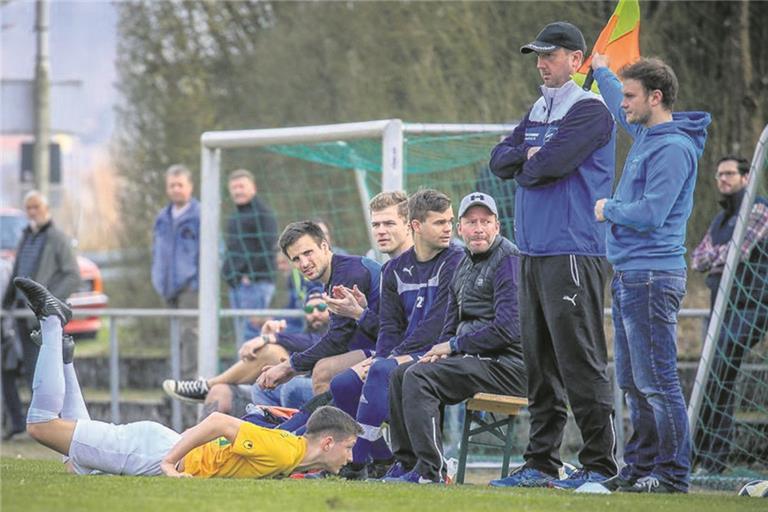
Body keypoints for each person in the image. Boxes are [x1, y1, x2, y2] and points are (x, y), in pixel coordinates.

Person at [13, 276, 361, 478]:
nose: (350, 458)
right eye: (348, 448)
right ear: (328, 442)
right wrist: (168, 461)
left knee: (78, 466)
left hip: (159, 446)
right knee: (41, 426)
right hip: (155, 452)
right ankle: (53, 319)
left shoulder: (292, 456)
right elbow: (220, 422)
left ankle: (62, 356)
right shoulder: (284, 451)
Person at [488, 21, 618, 489]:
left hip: (572, 251)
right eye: (538, 56)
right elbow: (500, 162)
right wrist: (528, 155)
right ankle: (542, 461)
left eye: (551, 54)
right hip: (532, 251)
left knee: (579, 361)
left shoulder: (591, 111)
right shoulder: (539, 108)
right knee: (539, 366)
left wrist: (527, 155)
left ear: (576, 60)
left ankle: (600, 465)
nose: (541, 63)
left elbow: (545, 167)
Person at [592, 54, 711, 493]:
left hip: (651, 276)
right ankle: (639, 469)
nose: (623, 104)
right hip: (628, 276)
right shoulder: (645, 132)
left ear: (655, 97)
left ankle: (671, 474)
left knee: (657, 381)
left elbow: (652, 213)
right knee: (631, 382)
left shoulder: (674, 147)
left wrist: (609, 209)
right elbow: (614, 101)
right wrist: (602, 70)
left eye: (630, 96)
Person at [383, 192, 527, 484]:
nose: (479, 228)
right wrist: (442, 349)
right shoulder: (462, 265)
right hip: (474, 361)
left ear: (497, 226)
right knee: (400, 373)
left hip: (509, 366)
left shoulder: (508, 260)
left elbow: (508, 328)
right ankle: (407, 464)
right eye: (471, 222)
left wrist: (454, 346)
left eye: (485, 221)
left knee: (419, 378)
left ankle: (430, 471)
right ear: (461, 229)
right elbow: (450, 324)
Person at [328, 189, 463, 480]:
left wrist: (389, 359)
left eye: (449, 222)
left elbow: (437, 325)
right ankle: (384, 460)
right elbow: (389, 328)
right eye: (441, 223)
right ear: (418, 226)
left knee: (381, 370)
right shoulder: (392, 269)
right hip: (405, 354)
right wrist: (385, 356)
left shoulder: (455, 260)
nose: (448, 229)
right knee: (342, 384)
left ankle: (354, 462)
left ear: (406, 224)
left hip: (440, 351)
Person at [690, 155, 768, 475]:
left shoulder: (759, 208)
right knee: (712, 376)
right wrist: (718, 256)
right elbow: (698, 259)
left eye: (729, 174)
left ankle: (712, 456)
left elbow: (740, 251)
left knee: (720, 371)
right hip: (718, 305)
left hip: (751, 306)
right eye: (719, 174)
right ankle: (704, 457)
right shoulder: (721, 218)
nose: (722, 179)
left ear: (746, 178)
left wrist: (717, 257)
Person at [162, 289, 331, 418]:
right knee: (220, 392)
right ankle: (200, 452)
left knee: (273, 355)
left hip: (314, 390)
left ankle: (207, 385)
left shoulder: (341, 329)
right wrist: (267, 334)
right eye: (309, 309)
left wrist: (269, 338)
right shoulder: (298, 330)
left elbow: (318, 342)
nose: (315, 313)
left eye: (321, 307)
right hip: (275, 390)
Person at [257, 221, 380, 395]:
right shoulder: (330, 281)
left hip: (390, 350)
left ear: (324, 246)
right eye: (296, 259)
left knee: (321, 371)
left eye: (308, 253)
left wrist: (291, 366)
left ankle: (327, 422)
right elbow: (338, 338)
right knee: (263, 390)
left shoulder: (349, 273)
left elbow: (338, 340)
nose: (304, 263)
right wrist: (294, 366)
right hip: (369, 348)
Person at [1, 190, 80, 440]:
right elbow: (19, 273)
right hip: (23, 316)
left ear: (46, 209)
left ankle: (56, 428)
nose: (32, 212)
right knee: (20, 370)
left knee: (46, 370)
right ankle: (24, 425)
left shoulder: (57, 239)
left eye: (36, 207)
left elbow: (72, 275)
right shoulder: (26, 237)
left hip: (44, 319)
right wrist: (7, 304)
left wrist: (48, 303)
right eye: (29, 208)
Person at [324, 190, 413, 340]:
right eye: (376, 225)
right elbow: (387, 330)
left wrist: (359, 313)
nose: (381, 231)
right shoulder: (388, 269)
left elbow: (409, 335)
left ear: (409, 226)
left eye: (389, 224)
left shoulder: (424, 266)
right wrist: (363, 309)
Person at [151, 164, 200, 379]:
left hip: (191, 287)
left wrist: (198, 282)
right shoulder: (162, 217)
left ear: (190, 187)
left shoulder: (200, 215)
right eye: (172, 185)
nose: (176, 189)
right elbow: (157, 250)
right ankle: (173, 383)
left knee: (191, 335)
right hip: (167, 288)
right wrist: (158, 279)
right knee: (174, 337)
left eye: (180, 185)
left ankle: (190, 384)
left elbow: (214, 252)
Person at [222, 169, 279, 346]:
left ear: (253, 188)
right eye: (234, 187)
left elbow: (268, 248)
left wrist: (250, 276)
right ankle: (244, 374)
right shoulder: (234, 217)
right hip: (237, 284)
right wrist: (229, 275)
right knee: (242, 336)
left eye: (241, 186)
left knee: (253, 336)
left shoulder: (263, 214)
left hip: (256, 284)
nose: (238, 191)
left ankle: (256, 374)